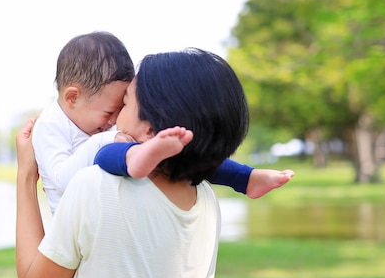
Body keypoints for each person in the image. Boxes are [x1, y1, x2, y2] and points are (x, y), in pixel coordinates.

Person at [16, 48, 252, 278]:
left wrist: (26, 175)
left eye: (124, 104)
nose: (114, 121)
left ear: (150, 128)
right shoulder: (204, 198)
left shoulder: (97, 187)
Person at [33, 31, 293, 215]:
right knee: (113, 153)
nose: (114, 120)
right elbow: (61, 180)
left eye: (124, 105)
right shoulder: (50, 126)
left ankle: (244, 178)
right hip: (73, 223)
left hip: (111, 208)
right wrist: (104, 141)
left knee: (184, 155)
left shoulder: (96, 120)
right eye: (111, 111)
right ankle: (137, 157)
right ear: (72, 97)